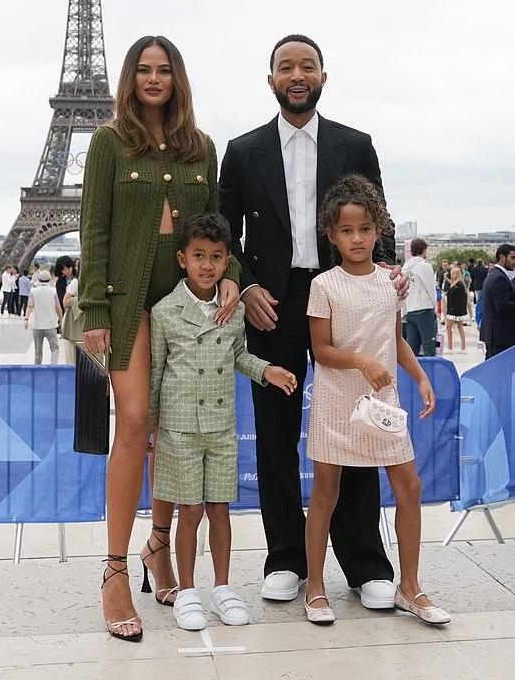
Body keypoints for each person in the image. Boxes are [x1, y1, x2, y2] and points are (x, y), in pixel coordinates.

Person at [219, 33, 405, 610]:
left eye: (308, 66)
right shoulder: (242, 149)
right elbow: (226, 235)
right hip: (271, 304)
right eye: (285, 67)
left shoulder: (356, 143)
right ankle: (285, 558)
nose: (297, 74)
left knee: (356, 429)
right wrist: (246, 285)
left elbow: (380, 220)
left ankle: (365, 563)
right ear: (270, 79)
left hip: (343, 298)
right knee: (275, 434)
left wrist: (390, 271)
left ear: (323, 77)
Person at [78, 35, 240, 642]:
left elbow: (216, 228)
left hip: (186, 307)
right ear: (129, 77)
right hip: (124, 306)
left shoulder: (202, 148)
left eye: (163, 69)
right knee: (137, 422)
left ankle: (159, 546)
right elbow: (93, 227)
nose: (153, 78)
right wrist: (93, 307)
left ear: (177, 78)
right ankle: (115, 571)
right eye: (143, 70)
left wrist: (233, 281)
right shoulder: (107, 143)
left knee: (175, 429)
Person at [304, 174, 449, 625]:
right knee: (325, 495)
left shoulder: (391, 282)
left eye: (365, 229)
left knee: (410, 488)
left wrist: (421, 376)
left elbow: (396, 338)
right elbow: (321, 351)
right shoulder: (324, 285)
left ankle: (410, 587)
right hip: (336, 403)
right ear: (331, 235)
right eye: (347, 230)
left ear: (378, 231)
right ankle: (313, 589)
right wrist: (363, 363)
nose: (357, 238)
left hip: (382, 403)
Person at [150, 213, 296, 631]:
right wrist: (150, 426)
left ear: (226, 259)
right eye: (199, 256)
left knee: (220, 510)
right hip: (179, 429)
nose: (207, 265)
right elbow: (156, 373)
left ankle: (223, 586)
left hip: (220, 427)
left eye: (216, 257)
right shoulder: (165, 312)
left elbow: (237, 357)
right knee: (189, 512)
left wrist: (267, 370)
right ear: (182, 259)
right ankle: (187, 590)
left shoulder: (231, 311)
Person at [402, 239, 437, 356]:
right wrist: (434, 306)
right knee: (428, 345)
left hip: (410, 309)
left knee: (412, 346)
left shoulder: (405, 267)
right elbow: (430, 288)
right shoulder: (424, 266)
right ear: (424, 250)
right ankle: (429, 372)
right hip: (424, 308)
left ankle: (411, 374)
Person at [479, 244, 515, 359]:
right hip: (501, 337)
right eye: (513, 258)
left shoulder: (494, 275)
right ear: (502, 257)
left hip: (495, 335)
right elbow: (503, 306)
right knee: (501, 372)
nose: (514, 261)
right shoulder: (500, 278)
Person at [23, 269, 62, 363]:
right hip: (50, 325)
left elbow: (29, 306)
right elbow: (58, 308)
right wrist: (61, 320)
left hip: (37, 325)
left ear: (39, 279)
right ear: (49, 279)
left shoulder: (33, 291)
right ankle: (53, 368)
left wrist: (26, 319)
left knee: (38, 351)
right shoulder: (53, 291)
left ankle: (37, 370)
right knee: (54, 348)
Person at [445, 267, 467, 352]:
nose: (452, 275)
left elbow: (457, 299)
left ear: (457, 274)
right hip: (456, 310)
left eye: (453, 273)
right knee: (459, 327)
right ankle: (462, 347)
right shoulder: (459, 284)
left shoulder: (458, 285)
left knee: (449, 327)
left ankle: (450, 347)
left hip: (454, 310)